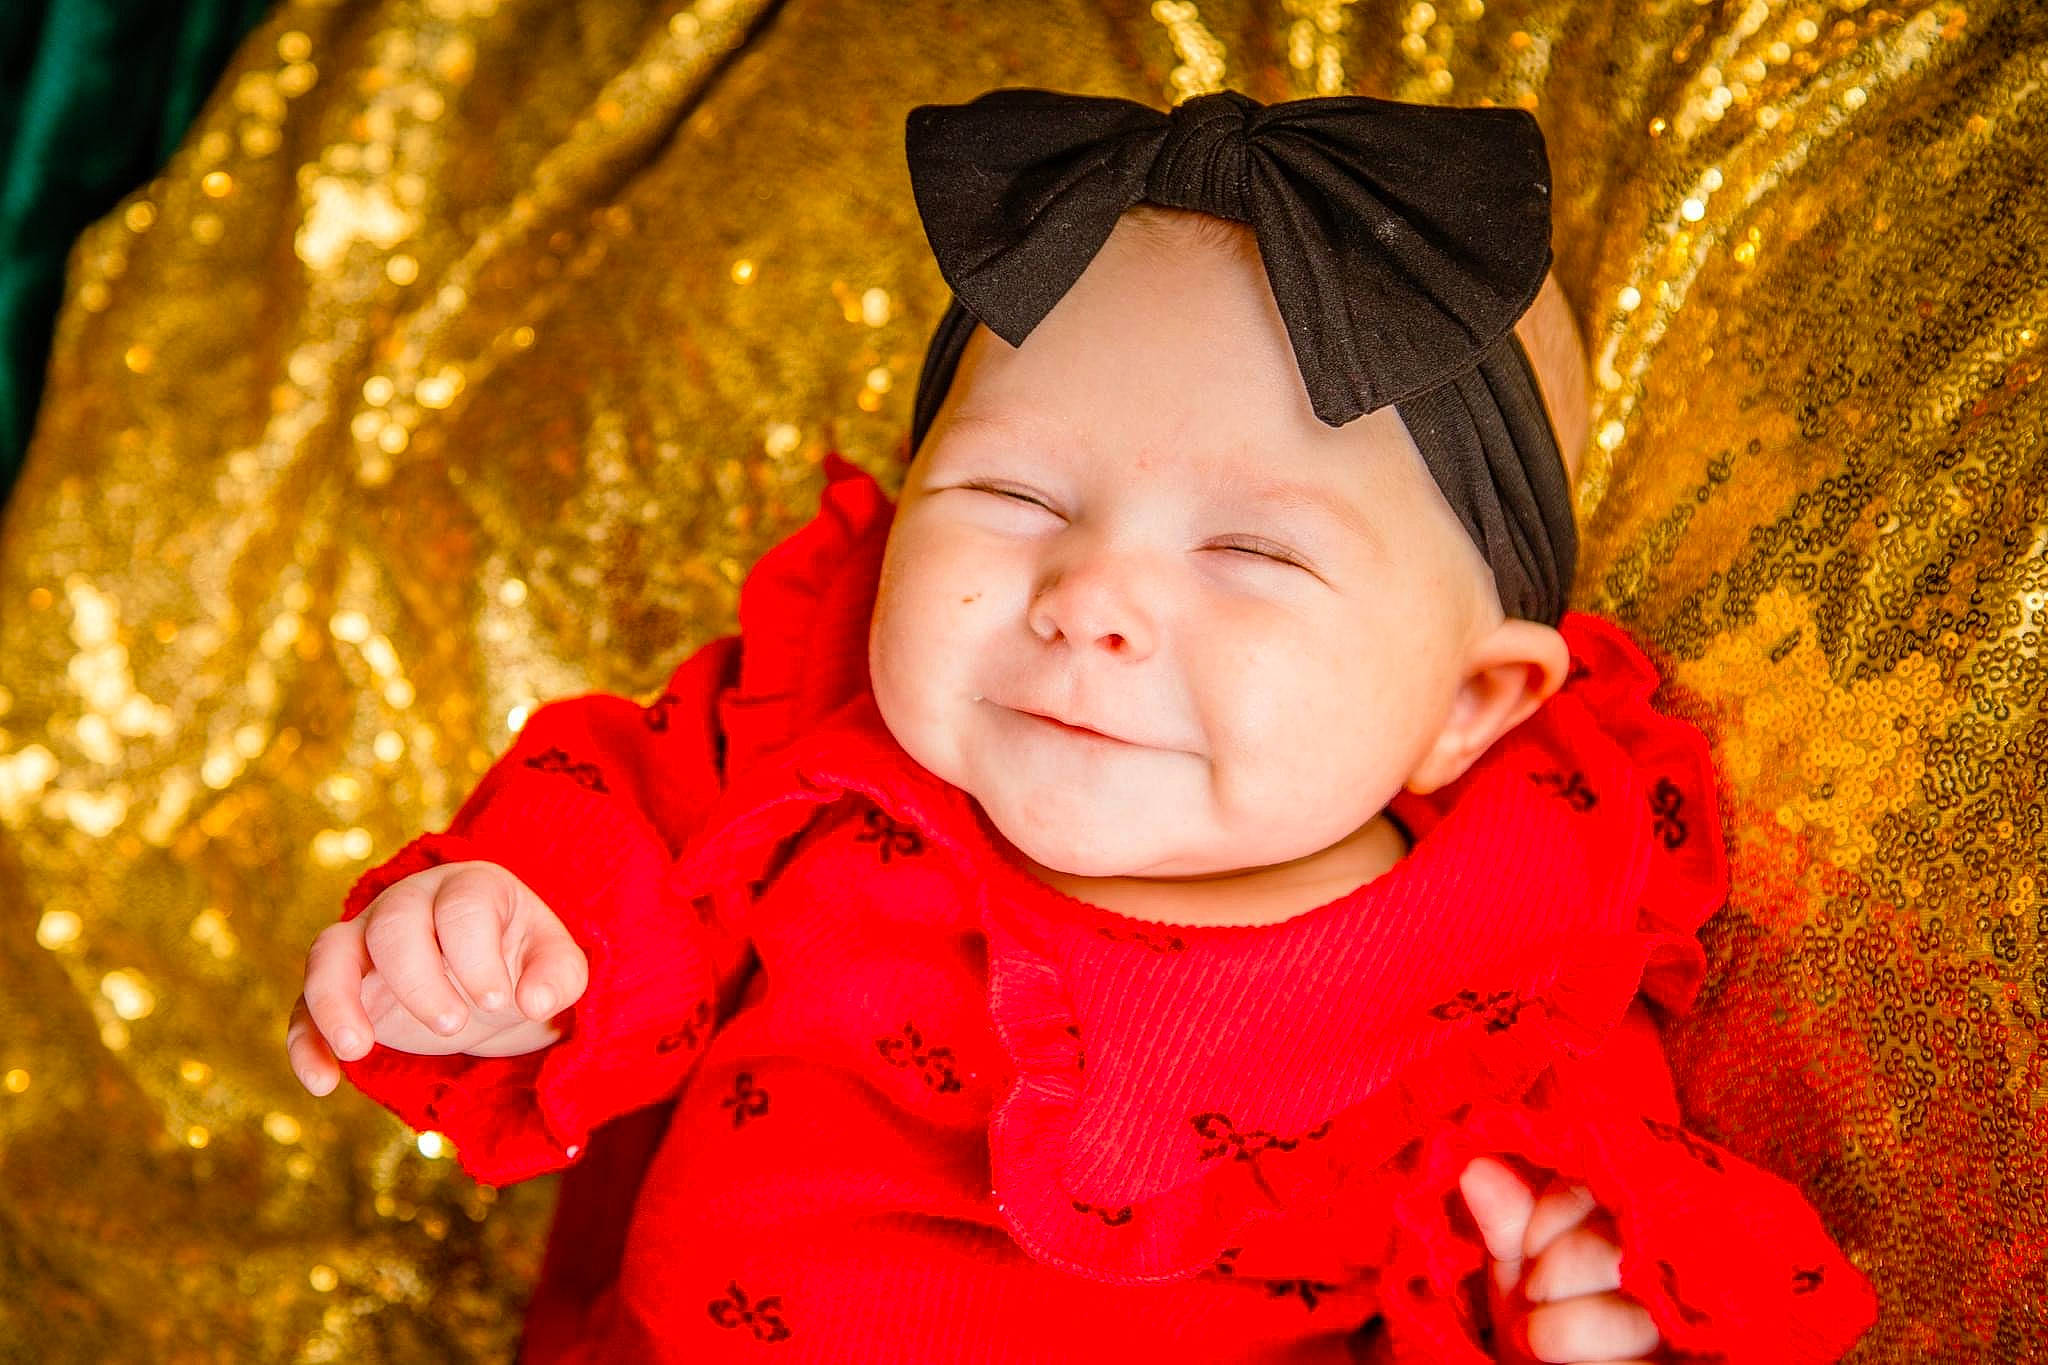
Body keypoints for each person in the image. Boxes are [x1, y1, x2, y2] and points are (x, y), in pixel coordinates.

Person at [285, 88, 1877, 1362]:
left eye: (1249, 552)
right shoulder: (810, 727)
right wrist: (500, 934)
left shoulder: (1497, 962)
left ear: (1468, 704)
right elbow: (618, 813)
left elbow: (1525, 1247)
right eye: (1015, 495)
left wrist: (1561, 1304)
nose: (1090, 596)